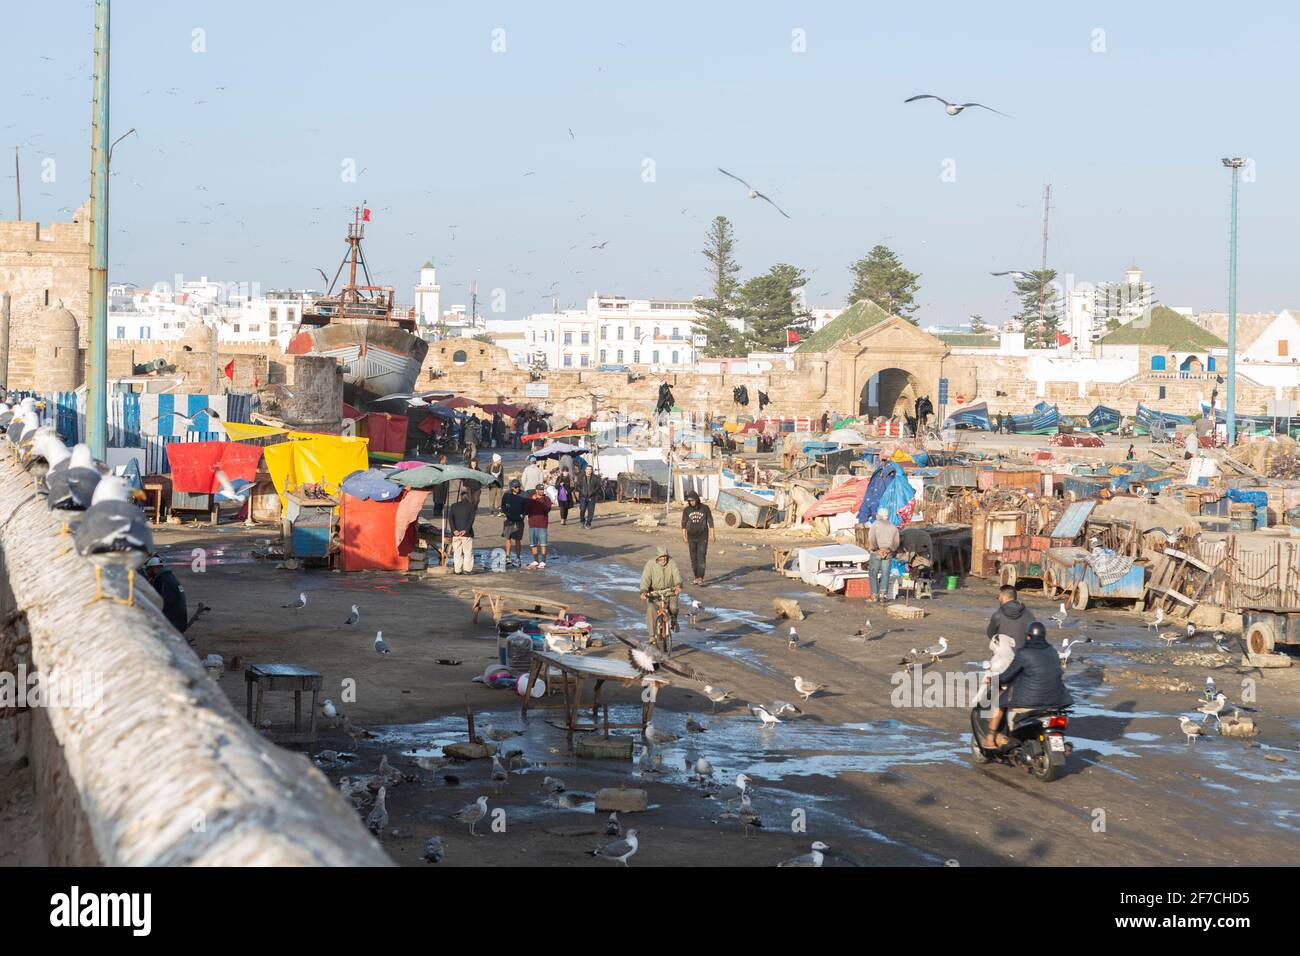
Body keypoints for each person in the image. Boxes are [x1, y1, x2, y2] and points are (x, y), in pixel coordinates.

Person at [982, 621, 1073, 750]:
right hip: (1057, 699)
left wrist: (993, 680)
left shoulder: (1023, 653)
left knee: (1000, 704)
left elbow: (1007, 676)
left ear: (1028, 637)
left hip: (1030, 700)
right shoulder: (1052, 651)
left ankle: (990, 739)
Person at [639, 545, 682, 637]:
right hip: (654, 593)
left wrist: (678, 585)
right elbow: (645, 579)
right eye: (661, 557)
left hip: (670, 591)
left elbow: (677, 575)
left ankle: (674, 620)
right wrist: (643, 591)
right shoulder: (650, 564)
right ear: (657, 557)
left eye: (665, 557)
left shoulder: (672, 563)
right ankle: (651, 636)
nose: (664, 559)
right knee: (651, 611)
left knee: (673, 607)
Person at [142, 555, 189, 633]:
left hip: (174, 623)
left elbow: (165, 603)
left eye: (148, 570)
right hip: (180, 620)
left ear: (153, 568)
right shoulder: (169, 577)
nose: (148, 573)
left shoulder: (164, 580)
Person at [680, 490, 715, 585]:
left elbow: (710, 522)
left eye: (693, 500)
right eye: (689, 501)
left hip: (702, 537)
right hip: (691, 537)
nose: (691, 502)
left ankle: (701, 577)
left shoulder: (705, 508)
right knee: (693, 558)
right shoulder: (686, 510)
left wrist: (713, 535)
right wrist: (684, 536)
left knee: (701, 556)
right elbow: (683, 524)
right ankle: (696, 577)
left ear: (697, 499)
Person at [865, 507, 899, 603]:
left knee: (873, 573)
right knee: (885, 574)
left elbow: (872, 539)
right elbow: (896, 543)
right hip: (888, 554)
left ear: (878, 515)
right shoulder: (893, 527)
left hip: (876, 553)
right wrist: (889, 550)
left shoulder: (875, 525)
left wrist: (877, 549)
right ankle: (882, 596)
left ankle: (874, 595)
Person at [446, 490, 477, 574]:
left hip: (456, 534)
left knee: (457, 552)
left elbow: (450, 519)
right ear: (468, 498)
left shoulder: (453, 506)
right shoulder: (471, 507)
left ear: (460, 497)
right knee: (467, 552)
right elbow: (471, 520)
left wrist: (454, 530)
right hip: (466, 534)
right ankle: (467, 570)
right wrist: (465, 530)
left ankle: (457, 570)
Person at [501, 479, 528, 567]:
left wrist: (523, 514)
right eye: (515, 487)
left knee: (517, 539)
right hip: (509, 520)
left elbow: (527, 507)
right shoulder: (507, 494)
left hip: (519, 521)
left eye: (519, 487)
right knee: (508, 538)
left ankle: (518, 557)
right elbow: (503, 505)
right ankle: (507, 557)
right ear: (511, 487)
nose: (517, 488)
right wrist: (505, 513)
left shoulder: (524, 495)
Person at [524, 484, 552, 569]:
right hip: (532, 524)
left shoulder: (546, 499)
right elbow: (526, 510)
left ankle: (543, 561)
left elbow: (547, 509)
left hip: (542, 524)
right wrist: (532, 500)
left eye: (542, 490)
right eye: (540, 490)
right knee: (533, 544)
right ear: (536, 490)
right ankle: (536, 560)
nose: (542, 491)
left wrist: (541, 500)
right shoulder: (530, 498)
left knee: (543, 544)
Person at [576, 463, 601, 528]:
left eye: (590, 469)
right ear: (585, 470)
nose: (589, 470)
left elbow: (598, 486)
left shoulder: (595, 477)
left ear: (592, 470)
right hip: (583, 496)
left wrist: (593, 492)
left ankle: (588, 523)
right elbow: (577, 486)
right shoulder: (581, 477)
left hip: (592, 497)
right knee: (582, 509)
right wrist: (581, 491)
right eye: (587, 469)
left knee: (591, 511)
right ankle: (582, 521)